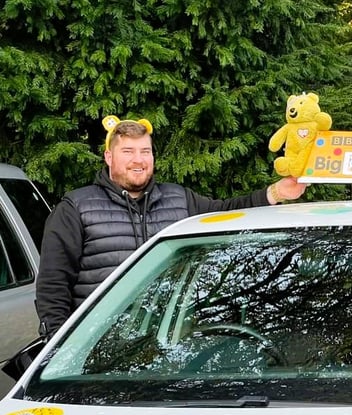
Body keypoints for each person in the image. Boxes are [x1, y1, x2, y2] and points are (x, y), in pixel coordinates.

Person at [36, 115, 307, 337]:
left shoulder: (179, 199)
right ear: (109, 157)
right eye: (127, 151)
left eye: (145, 151)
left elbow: (226, 212)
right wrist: (59, 348)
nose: (138, 160)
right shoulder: (76, 208)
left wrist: (276, 192)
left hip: (168, 348)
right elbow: (53, 287)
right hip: (98, 348)